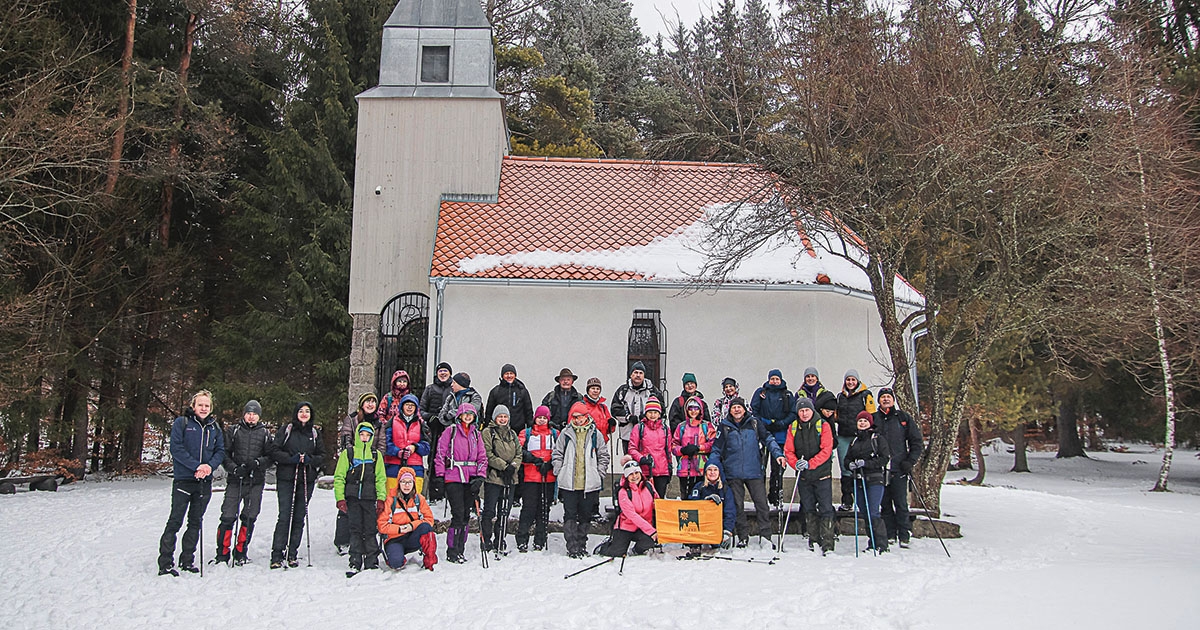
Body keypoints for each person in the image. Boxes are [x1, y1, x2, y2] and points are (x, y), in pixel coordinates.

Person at [157, 390, 225, 576]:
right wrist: (196, 466)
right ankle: (165, 562)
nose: (203, 408)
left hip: (204, 481)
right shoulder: (182, 423)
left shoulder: (214, 427)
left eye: (207, 406)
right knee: (175, 521)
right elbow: (176, 448)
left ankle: (187, 559)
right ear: (193, 406)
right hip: (184, 479)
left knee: (195, 522)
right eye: (200, 405)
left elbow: (220, 450)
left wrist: (209, 467)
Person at [708, 397, 785, 548]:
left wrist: (778, 454)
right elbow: (717, 449)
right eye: (734, 407)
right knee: (737, 506)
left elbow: (768, 439)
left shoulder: (754, 423)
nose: (737, 410)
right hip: (733, 472)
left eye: (739, 407)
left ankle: (766, 536)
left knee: (762, 504)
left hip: (754, 471)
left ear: (744, 409)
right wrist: (711, 465)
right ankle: (743, 536)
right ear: (730, 410)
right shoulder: (725, 426)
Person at [269, 401, 325, 569]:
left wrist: (310, 460)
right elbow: (274, 451)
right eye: (301, 411)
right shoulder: (287, 430)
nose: (304, 414)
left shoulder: (315, 433)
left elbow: (322, 455)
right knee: (285, 515)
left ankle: (293, 551)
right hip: (287, 477)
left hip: (306, 478)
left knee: (299, 516)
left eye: (307, 411)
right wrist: (290, 459)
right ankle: (277, 553)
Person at [552, 401, 611, 558]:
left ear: (586, 416)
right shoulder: (565, 433)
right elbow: (557, 453)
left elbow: (603, 455)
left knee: (585, 515)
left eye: (580, 417)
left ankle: (582, 544)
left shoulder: (595, 434)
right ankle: (572, 546)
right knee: (570, 515)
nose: (577, 420)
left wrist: (599, 473)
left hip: (589, 483)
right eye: (575, 417)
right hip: (569, 483)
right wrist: (560, 470)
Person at [216, 399, 272, 566]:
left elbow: (271, 457)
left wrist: (258, 463)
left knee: (249, 517)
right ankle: (222, 552)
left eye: (254, 414)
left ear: (259, 416)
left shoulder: (265, 434)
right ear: (244, 414)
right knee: (227, 516)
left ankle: (241, 551)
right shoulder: (233, 430)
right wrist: (233, 468)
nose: (251, 417)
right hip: (235, 480)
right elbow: (224, 453)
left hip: (255, 481)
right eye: (249, 413)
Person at [434, 402, 487, 563]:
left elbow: (482, 457)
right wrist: (440, 475)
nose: (468, 417)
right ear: (460, 416)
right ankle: (452, 550)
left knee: (465, 515)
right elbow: (440, 453)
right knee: (457, 513)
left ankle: (461, 548)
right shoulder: (451, 431)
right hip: (454, 476)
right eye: (465, 414)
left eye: (471, 415)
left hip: (470, 478)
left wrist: (480, 476)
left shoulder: (476, 434)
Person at [784, 397, 836, 555]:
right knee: (808, 508)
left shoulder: (823, 425)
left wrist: (811, 463)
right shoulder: (793, 427)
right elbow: (788, 450)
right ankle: (813, 539)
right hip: (804, 476)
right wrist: (795, 463)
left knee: (826, 508)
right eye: (801, 411)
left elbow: (827, 450)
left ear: (812, 410)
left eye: (806, 410)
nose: (804, 413)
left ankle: (828, 542)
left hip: (822, 475)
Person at [333, 422, 387, 574]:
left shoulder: (376, 455)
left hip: (369, 498)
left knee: (370, 529)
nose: (364, 438)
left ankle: (372, 560)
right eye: (362, 435)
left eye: (368, 435)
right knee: (355, 529)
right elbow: (339, 477)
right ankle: (355, 559)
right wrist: (340, 498)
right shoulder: (348, 454)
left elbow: (380, 478)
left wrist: (381, 498)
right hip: (353, 497)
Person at [874, 387, 923, 548]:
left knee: (901, 503)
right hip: (880, 469)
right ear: (878, 401)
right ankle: (890, 533)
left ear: (893, 400)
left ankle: (904, 533)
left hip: (899, 467)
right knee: (885, 503)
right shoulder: (874, 419)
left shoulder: (903, 418)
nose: (886, 400)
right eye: (883, 397)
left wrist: (910, 460)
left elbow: (916, 442)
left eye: (888, 397)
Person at [335, 392, 382, 555]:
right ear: (362, 404)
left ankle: (365, 543)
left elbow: (381, 441)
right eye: (367, 401)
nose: (370, 405)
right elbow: (346, 436)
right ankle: (343, 541)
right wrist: (352, 453)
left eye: (373, 402)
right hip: (354, 461)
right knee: (348, 507)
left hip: (371, 460)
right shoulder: (352, 419)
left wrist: (375, 456)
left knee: (367, 511)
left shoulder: (378, 422)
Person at [845, 410, 891, 552]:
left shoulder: (877, 438)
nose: (862, 423)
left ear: (870, 423)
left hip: (874, 479)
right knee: (864, 512)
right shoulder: (854, 441)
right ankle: (872, 541)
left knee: (873, 512)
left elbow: (884, 458)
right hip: (859, 480)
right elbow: (847, 458)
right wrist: (849, 465)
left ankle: (881, 544)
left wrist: (866, 463)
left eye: (865, 421)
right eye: (860, 421)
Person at [378, 467, 438, 570]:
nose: (406, 485)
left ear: (414, 483)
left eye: (409, 482)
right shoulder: (390, 500)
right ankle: (398, 556)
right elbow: (382, 525)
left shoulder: (419, 499)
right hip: (394, 539)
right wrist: (399, 529)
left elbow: (429, 519)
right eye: (403, 482)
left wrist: (411, 526)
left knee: (426, 528)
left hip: (412, 536)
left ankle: (430, 561)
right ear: (398, 483)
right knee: (396, 563)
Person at [481, 405, 522, 553]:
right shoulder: (488, 432)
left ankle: (500, 538)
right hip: (494, 477)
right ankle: (486, 538)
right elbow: (487, 453)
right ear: (495, 418)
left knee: (504, 511)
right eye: (500, 417)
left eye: (505, 417)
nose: (503, 419)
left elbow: (519, 453)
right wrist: (503, 466)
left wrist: (513, 466)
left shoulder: (512, 433)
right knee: (489, 510)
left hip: (510, 478)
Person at [751, 369, 795, 506]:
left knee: (778, 467)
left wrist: (781, 423)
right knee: (761, 465)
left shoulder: (787, 394)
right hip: (763, 433)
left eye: (777, 379)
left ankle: (775, 495)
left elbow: (793, 413)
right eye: (772, 379)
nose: (774, 381)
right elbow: (754, 410)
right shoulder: (761, 393)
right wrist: (764, 422)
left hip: (780, 433)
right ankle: (760, 497)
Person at [516, 406, 557, 552]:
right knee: (528, 509)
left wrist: (550, 463)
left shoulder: (554, 434)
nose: (541, 420)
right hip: (531, 477)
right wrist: (533, 459)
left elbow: (559, 452)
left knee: (544, 510)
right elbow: (519, 450)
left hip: (548, 477)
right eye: (539, 417)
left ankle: (540, 539)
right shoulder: (526, 433)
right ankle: (522, 538)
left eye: (544, 418)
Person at [598, 457, 658, 557]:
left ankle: (636, 550)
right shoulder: (623, 492)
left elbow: (657, 503)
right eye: (631, 474)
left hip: (643, 526)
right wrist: (651, 530)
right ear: (626, 476)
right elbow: (631, 515)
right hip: (626, 526)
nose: (634, 476)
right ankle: (603, 548)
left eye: (636, 473)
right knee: (617, 553)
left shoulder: (648, 486)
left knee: (650, 540)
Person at [836, 369, 877, 509]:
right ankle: (847, 500)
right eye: (848, 380)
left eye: (853, 380)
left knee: (860, 466)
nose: (850, 382)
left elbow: (872, 415)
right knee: (845, 467)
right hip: (843, 435)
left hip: (859, 437)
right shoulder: (840, 396)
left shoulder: (866, 395)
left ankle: (863, 499)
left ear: (858, 381)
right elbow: (836, 415)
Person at [420, 362, 455, 501]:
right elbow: (421, 409)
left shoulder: (454, 389)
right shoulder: (430, 389)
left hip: (449, 429)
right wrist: (430, 417)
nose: (443, 373)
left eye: (445, 371)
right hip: (433, 430)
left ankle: (449, 492)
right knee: (434, 459)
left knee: (449, 459)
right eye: (440, 371)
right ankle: (434, 493)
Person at [611, 361, 663, 454]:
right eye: (635, 372)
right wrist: (628, 417)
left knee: (647, 462)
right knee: (630, 462)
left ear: (644, 375)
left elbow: (661, 409)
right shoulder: (622, 391)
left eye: (640, 373)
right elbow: (615, 409)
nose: (638, 375)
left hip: (649, 433)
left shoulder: (652, 391)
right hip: (628, 434)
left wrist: (648, 417)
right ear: (631, 375)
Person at [628, 396, 672, 499]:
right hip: (645, 470)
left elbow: (668, 450)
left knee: (659, 500)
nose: (653, 415)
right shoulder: (639, 428)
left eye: (655, 412)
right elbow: (632, 448)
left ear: (659, 414)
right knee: (645, 499)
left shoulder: (665, 429)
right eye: (650, 412)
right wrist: (641, 458)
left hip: (662, 471)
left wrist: (669, 467)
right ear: (646, 413)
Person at [384, 394, 429, 495]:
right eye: (407, 404)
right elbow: (385, 443)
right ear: (401, 406)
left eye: (412, 405)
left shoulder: (421, 424)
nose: (409, 407)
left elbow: (426, 447)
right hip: (393, 466)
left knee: (414, 500)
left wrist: (415, 447)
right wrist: (397, 452)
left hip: (415, 466)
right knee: (392, 499)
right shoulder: (392, 422)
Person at [689, 463, 737, 552]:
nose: (712, 473)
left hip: (718, 526)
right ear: (705, 472)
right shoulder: (699, 486)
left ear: (719, 472)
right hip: (701, 525)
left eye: (715, 470)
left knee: (718, 545)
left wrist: (727, 531)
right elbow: (692, 506)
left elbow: (730, 511)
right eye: (709, 470)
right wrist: (706, 502)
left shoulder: (725, 489)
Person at [672, 397, 714, 499]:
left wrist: (699, 448)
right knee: (686, 497)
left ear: (700, 410)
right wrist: (682, 450)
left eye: (696, 408)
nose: (693, 411)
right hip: (685, 467)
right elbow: (674, 445)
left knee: (701, 496)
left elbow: (713, 443)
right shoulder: (681, 426)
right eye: (690, 408)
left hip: (702, 466)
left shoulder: (706, 425)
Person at [485, 363, 534, 434]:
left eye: (511, 373)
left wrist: (530, 428)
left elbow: (528, 411)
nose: (509, 376)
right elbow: (489, 411)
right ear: (502, 376)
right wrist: (487, 427)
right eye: (506, 374)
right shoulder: (495, 391)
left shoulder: (522, 391)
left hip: (518, 429)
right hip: (499, 430)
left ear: (515, 375)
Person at [581, 377, 614, 441]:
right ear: (588, 390)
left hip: (602, 443)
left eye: (598, 389)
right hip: (587, 443)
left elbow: (609, 430)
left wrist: (612, 424)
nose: (595, 391)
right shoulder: (582, 406)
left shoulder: (603, 407)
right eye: (593, 388)